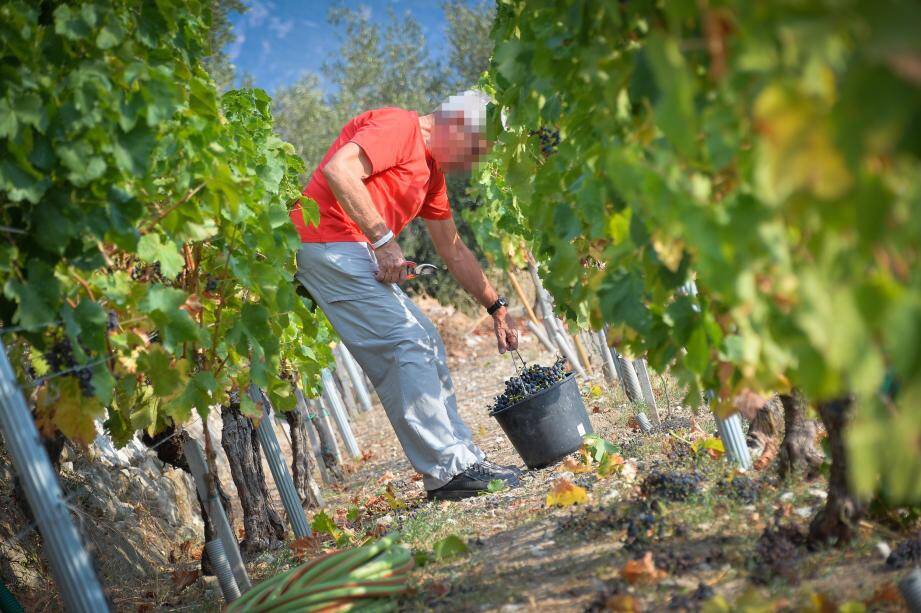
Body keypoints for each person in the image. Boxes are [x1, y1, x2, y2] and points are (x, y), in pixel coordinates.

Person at [291, 91, 521, 500]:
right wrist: (383, 240)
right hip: (327, 241)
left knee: (427, 339)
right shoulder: (400, 126)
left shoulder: (431, 174)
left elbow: (452, 248)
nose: (472, 164)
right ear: (455, 126)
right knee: (406, 343)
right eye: (473, 151)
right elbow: (338, 171)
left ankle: (462, 460)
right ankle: (449, 472)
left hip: (350, 246)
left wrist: (495, 306)